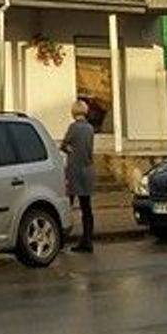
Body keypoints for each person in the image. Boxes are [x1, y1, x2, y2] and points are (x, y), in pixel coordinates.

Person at [60, 99, 96, 252]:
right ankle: (88, 240)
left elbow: (63, 144)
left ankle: (61, 239)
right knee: (86, 208)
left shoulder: (73, 127)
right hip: (88, 170)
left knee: (67, 205)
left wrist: (69, 150)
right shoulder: (90, 128)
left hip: (74, 170)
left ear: (74, 112)